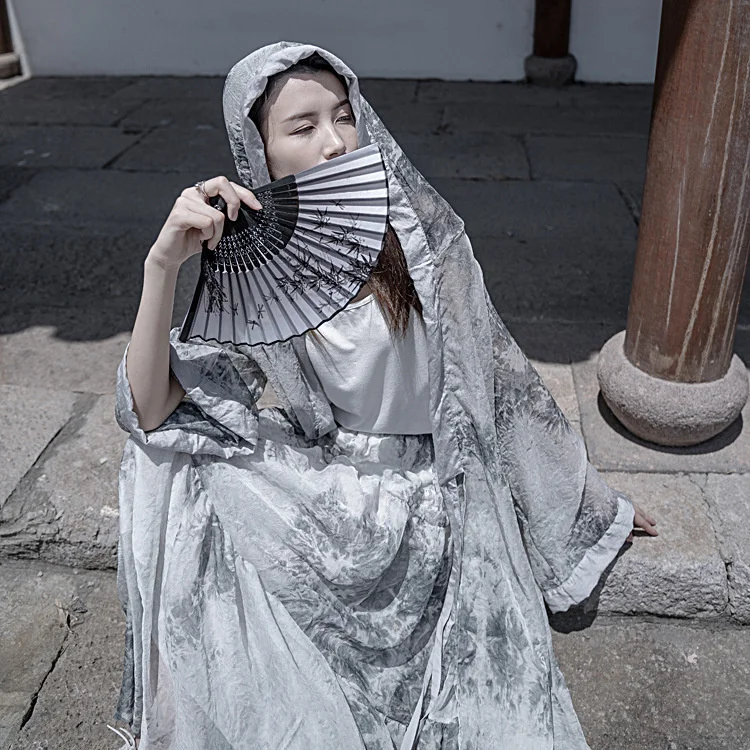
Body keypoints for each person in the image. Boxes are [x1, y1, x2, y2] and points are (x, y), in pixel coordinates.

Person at [112, 42, 658, 749]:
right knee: (165, 466)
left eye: (344, 116)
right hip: (344, 489)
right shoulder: (259, 273)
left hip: (440, 491)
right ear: (261, 152)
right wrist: (162, 266)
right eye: (302, 128)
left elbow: (501, 377)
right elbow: (148, 409)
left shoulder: (422, 239)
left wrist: (587, 500)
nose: (336, 142)